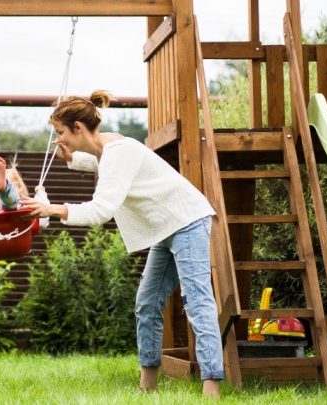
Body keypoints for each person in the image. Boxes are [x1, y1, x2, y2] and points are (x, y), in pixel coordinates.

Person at [20, 90, 223, 399]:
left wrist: (55, 209)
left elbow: (101, 210)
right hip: (164, 228)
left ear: (78, 127)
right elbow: (99, 161)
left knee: (197, 301)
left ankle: (212, 388)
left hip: (187, 220)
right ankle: (148, 387)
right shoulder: (107, 145)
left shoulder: (117, 153)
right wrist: (71, 159)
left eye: (60, 133)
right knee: (147, 303)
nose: (58, 139)